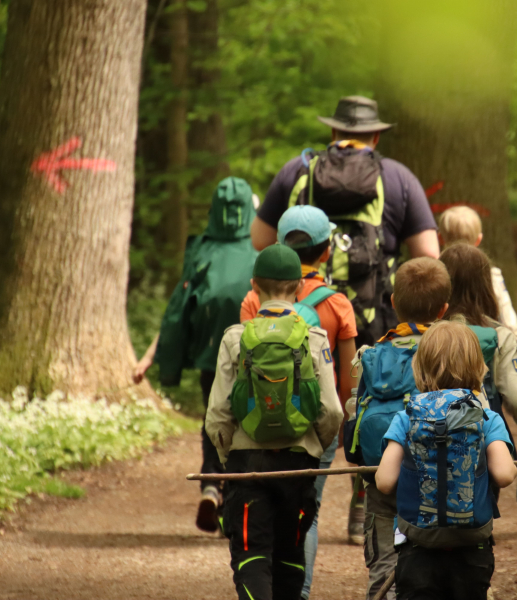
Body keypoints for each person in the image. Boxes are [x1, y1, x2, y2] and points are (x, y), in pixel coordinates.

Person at [205, 244, 343, 600]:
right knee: (290, 555)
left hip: (247, 466)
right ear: (299, 286)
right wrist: (312, 449)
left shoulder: (235, 338)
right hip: (297, 466)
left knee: (251, 554)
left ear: (254, 286)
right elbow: (332, 412)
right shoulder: (314, 338)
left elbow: (218, 415)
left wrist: (229, 458)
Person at [251, 95, 440, 348]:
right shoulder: (398, 177)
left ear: (333, 132)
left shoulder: (296, 171)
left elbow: (259, 239)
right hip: (376, 326)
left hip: (300, 320)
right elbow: (429, 253)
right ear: (376, 137)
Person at [241, 205, 360, 598]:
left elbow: (245, 365)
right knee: (307, 514)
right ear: (325, 252)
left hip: (260, 423)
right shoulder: (337, 304)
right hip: (313, 426)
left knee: (263, 510)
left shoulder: (252, 300)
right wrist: (339, 428)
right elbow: (348, 379)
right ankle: (299, 594)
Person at [133, 176, 258, 533]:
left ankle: (211, 484)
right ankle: (234, 496)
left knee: (213, 416)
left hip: (211, 353)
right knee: (246, 421)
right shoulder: (262, 247)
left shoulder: (202, 249)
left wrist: (151, 355)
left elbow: (179, 307)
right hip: (254, 351)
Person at [376, 320, 517, 600]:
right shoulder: (487, 418)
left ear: (420, 368)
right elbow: (504, 475)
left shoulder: (406, 418)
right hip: (472, 550)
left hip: (418, 549)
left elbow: (384, 482)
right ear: (477, 367)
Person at [345, 257, 452, 600]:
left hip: (382, 476)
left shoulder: (374, 354)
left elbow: (355, 413)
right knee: (438, 566)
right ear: (444, 309)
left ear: (393, 302)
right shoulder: (449, 353)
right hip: (438, 477)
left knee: (384, 569)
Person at [439, 243, 517, 446]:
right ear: (485, 285)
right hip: (485, 441)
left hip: (429, 438)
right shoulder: (498, 336)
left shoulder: (428, 333)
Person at [438, 205, 517, 346]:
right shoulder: (490, 275)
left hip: (440, 345)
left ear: (440, 238)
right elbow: (508, 320)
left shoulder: (434, 273)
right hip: (483, 347)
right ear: (479, 239)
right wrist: (516, 345)